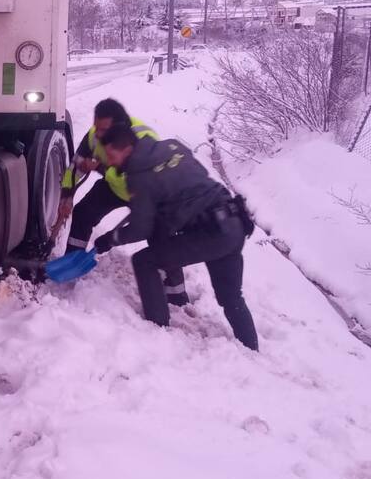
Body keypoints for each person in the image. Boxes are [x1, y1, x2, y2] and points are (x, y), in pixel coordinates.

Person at [93, 124, 259, 350]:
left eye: (111, 156)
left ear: (125, 148)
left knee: (144, 261)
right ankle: (252, 350)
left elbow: (141, 228)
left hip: (210, 232)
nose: (110, 162)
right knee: (232, 298)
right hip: (234, 223)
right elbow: (186, 183)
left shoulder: (138, 176)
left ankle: (157, 328)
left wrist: (111, 238)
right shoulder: (173, 146)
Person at [56, 99, 188, 306]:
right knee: (83, 213)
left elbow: (131, 176)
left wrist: (99, 168)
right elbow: (75, 167)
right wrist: (66, 197)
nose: (98, 133)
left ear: (121, 127)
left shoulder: (143, 139)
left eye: (103, 129)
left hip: (148, 193)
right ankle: (72, 265)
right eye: (96, 126)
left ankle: (176, 293)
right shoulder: (94, 136)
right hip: (113, 188)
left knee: (161, 236)